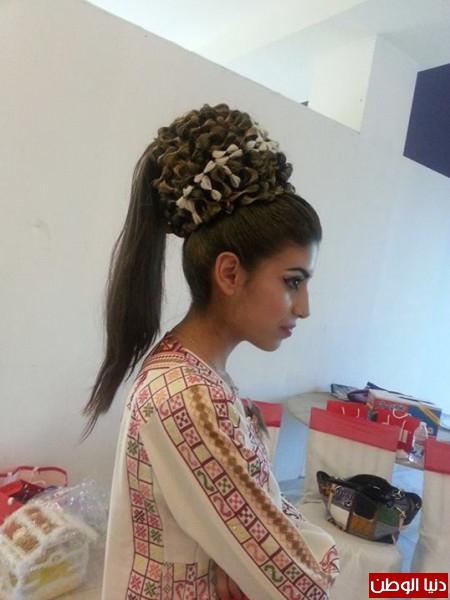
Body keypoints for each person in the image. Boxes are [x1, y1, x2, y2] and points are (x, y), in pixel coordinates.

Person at [84, 103, 339, 600]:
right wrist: (314, 557)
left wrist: (248, 557)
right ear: (229, 273)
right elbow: (299, 583)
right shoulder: (186, 398)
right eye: (293, 282)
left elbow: (266, 521)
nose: (304, 308)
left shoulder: (198, 375)